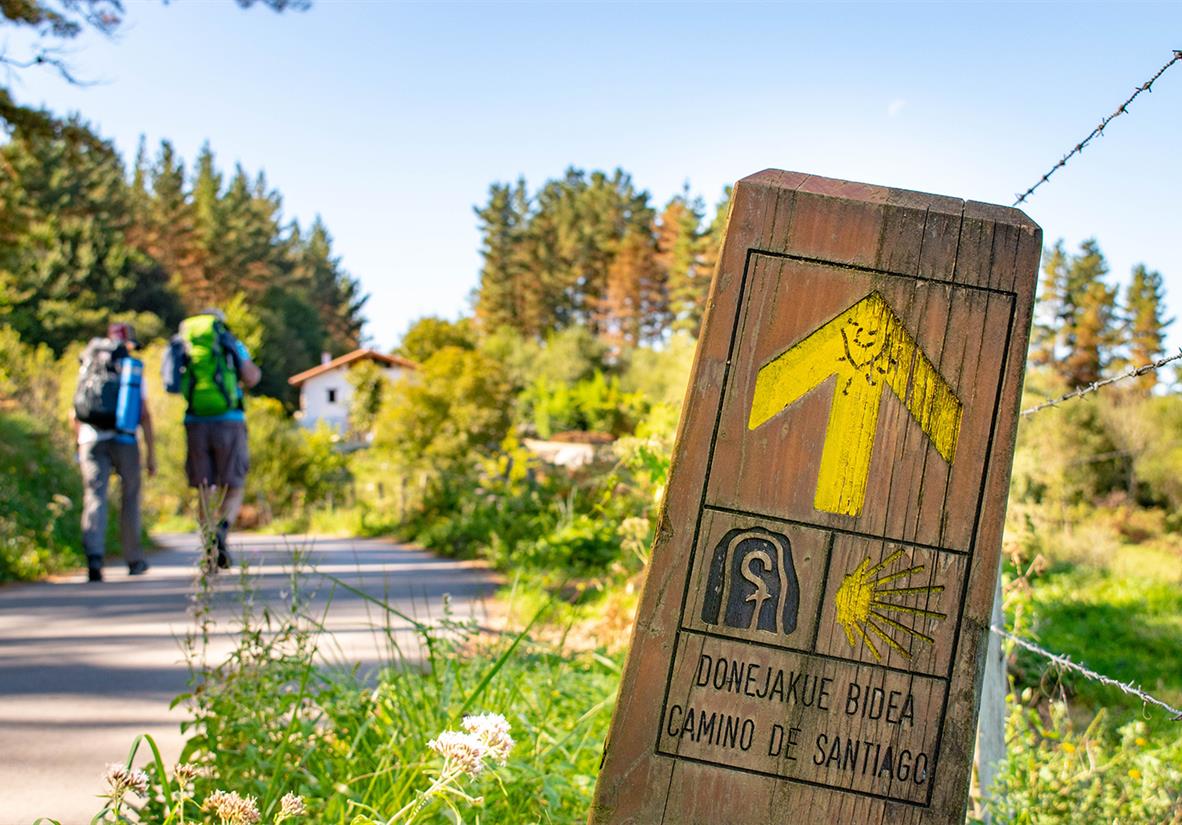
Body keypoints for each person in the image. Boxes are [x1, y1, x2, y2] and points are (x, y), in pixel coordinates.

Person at [167, 308, 261, 570]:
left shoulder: (185, 344)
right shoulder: (229, 342)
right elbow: (251, 377)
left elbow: (172, 383)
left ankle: (207, 541)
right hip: (230, 421)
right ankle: (222, 528)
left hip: (195, 421)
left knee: (204, 487)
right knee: (235, 483)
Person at [73, 323, 156, 582]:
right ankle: (134, 559)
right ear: (128, 341)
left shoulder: (88, 363)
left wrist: (78, 443)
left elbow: (74, 411)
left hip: (90, 438)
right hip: (125, 440)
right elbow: (143, 413)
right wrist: (151, 453)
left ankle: (94, 559)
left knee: (95, 497)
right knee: (130, 498)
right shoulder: (129, 367)